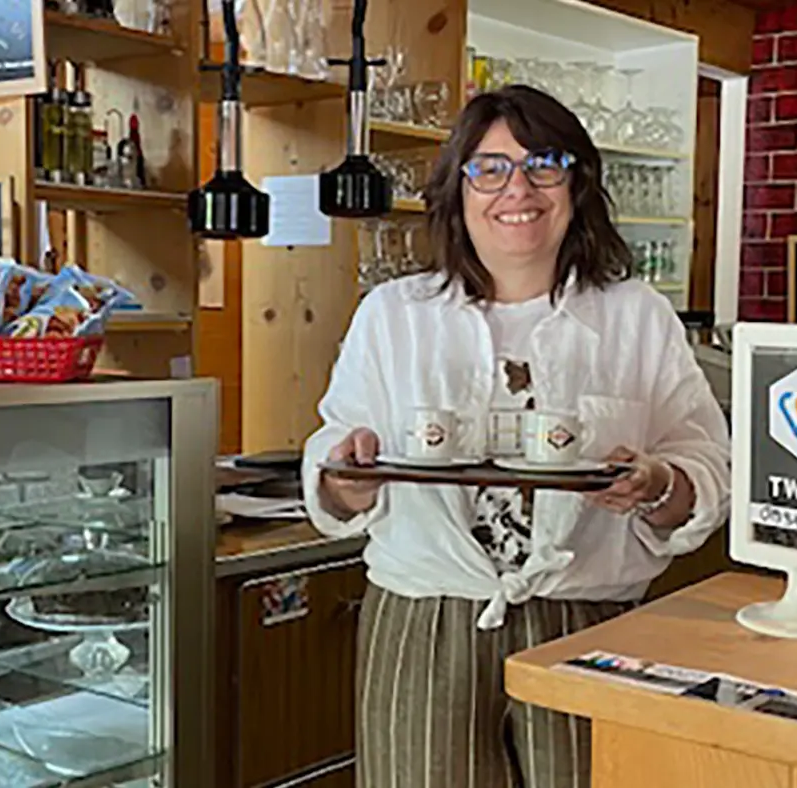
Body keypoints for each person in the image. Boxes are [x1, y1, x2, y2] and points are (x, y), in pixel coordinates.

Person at [300, 85, 731, 788]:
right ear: (458, 188)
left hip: (591, 622)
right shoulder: (394, 314)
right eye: (490, 168)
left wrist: (661, 485)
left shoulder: (636, 315)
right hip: (424, 620)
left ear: (577, 183)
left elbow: (706, 466)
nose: (517, 190)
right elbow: (333, 452)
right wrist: (344, 479)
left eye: (544, 165)